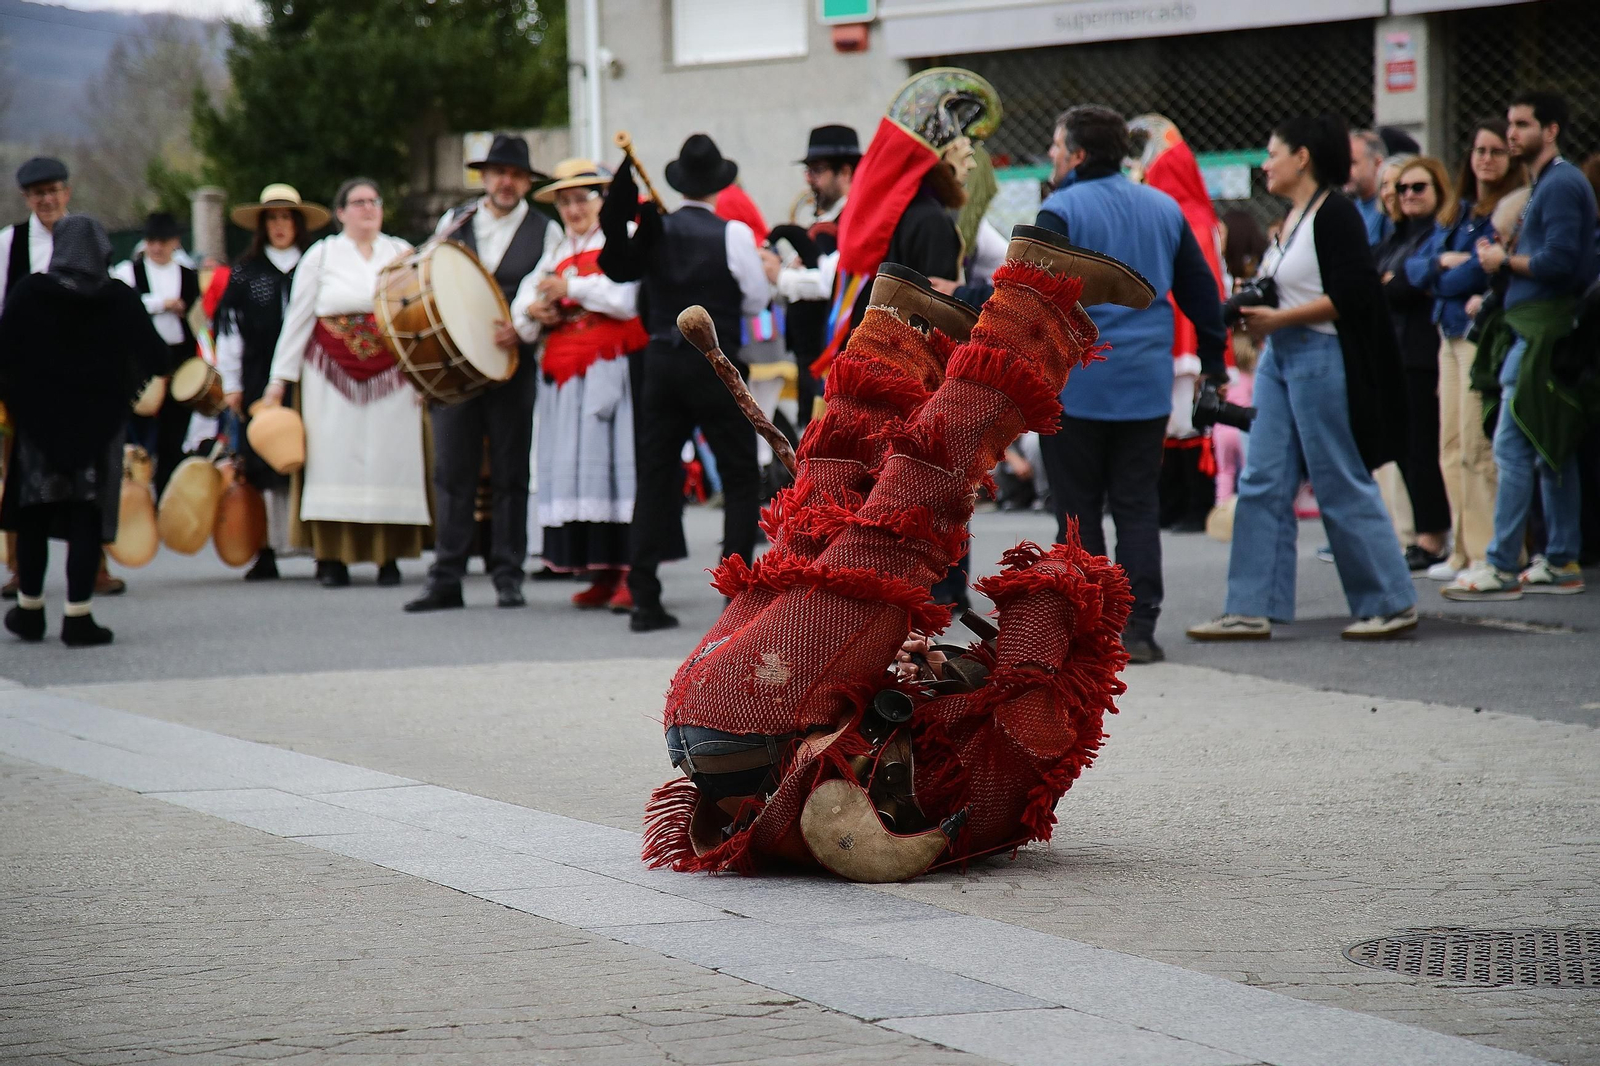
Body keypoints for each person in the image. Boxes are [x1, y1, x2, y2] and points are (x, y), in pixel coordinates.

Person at [641, 227, 1152, 881]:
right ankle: (904, 315)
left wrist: (1053, 604)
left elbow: (1037, 637)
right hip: (713, 719)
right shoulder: (980, 788)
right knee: (820, 522)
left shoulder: (988, 786)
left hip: (761, 713)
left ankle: (1015, 299)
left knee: (899, 516)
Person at [1188, 113, 1417, 642]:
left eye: (1272, 153)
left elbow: (1355, 296)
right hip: (1281, 356)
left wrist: (1277, 319)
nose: (1265, 164)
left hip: (1318, 352)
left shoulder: (1335, 214)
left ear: (1303, 157)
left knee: (1337, 474)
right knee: (1263, 478)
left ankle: (1389, 600)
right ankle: (1249, 607)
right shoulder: (1294, 217)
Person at [1033, 105, 1227, 663]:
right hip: (1144, 383)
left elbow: (1035, 299)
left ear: (1076, 154)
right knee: (1138, 506)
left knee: (1076, 509)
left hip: (1075, 385)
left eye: (1054, 146)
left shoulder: (1059, 209)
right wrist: (1213, 360)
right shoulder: (1164, 207)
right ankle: (1138, 628)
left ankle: (1089, 629)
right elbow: (1200, 290)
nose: (1050, 156)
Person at [597, 133, 771, 632]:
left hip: (659, 363)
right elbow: (756, 301)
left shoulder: (654, 231)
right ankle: (735, 599)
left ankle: (645, 597)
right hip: (716, 364)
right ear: (717, 183)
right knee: (739, 477)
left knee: (654, 475)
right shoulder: (734, 234)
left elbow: (635, 301)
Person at [1446, 91, 1600, 600]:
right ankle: (1560, 559)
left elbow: (1559, 262)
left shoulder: (1559, 184)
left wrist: (1502, 263)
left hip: (1541, 334)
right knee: (1548, 447)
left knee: (1515, 445)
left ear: (1550, 130)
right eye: (1510, 124)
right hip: (1537, 331)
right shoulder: (1550, 183)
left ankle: (1502, 567)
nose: (1511, 134)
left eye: (1522, 124)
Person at [0, 216, 170, 646]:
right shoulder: (119, 299)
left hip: (39, 427)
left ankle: (30, 609)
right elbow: (156, 357)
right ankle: (78, 616)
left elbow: (5, 353)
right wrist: (116, 388)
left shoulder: (30, 293)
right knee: (86, 517)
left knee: (35, 515)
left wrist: (24, 396)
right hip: (99, 429)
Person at [405, 135, 552, 613]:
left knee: (511, 472)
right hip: (453, 368)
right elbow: (426, 276)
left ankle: (507, 574)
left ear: (526, 182)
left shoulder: (545, 231)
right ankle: (446, 574)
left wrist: (524, 327)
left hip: (513, 365)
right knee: (452, 471)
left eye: (514, 174)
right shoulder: (456, 221)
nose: (505, 182)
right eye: (498, 172)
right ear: (485, 177)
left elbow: (547, 290)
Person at [260, 178, 428, 588]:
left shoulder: (402, 252)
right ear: (341, 213)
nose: (368, 208)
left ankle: (388, 556)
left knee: (391, 460)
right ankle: (332, 557)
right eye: (358, 202)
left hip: (394, 375)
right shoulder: (321, 255)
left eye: (374, 201)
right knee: (333, 459)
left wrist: (425, 375)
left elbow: (419, 317)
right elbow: (298, 319)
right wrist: (278, 382)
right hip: (329, 376)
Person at [510, 158, 646, 612]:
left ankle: (631, 570)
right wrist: (534, 311)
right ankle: (602, 570)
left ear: (600, 200)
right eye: (564, 202)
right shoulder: (557, 251)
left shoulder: (619, 238)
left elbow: (625, 299)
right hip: (565, 372)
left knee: (614, 464)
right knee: (577, 468)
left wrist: (569, 288)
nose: (572, 209)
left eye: (580, 199)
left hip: (608, 365)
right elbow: (526, 297)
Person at [813, 68, 1000, 372]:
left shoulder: (899, 216)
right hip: (908, 377)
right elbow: (936, 324)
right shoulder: (931, 221)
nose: (971, 164)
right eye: (963, 154)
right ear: (938, 160)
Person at [1404, 120, 1527, 582]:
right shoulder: (1460, 212)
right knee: (1449, 447)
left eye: (1497, 151)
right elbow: (1416, 269)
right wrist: (1441, 265)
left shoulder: (1512, 208)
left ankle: (1488, 553)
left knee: (1477, 446)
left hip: (1479, 336)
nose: (1486, 159)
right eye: (1479, 150)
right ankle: (1459, 549)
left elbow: (1474, 275)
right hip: (1447, 335)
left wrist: (1443, 275)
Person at [214, 184, 327, 581]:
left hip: (310, 375)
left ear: (298, 224)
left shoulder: (316, 265)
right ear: (263, 226)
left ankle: (315, 544)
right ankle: (265, 547)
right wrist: (231, 383)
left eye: (286, 218)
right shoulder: (246, 272)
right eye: (273, 219)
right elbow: (230, 330)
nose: (280, 226)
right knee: (259, 458)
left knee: (307, 454)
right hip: (259, 373)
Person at [1128, 113, 1233, 537]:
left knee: (1188, 415)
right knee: (1170, 418)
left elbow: (1199, 287)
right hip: (1166, 328)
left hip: (1180, 332)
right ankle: (1171, 504)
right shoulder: (1174, 215)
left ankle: (1194, 504)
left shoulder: (1191, 221)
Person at [1375, 156, 1455, 570]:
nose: (1407, 195)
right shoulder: (1394, 238)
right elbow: (1377, 285)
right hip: (1394, 353)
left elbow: (1407, 285)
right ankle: (1418, 534)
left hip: (1424, 353)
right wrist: (1396, 283)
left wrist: (1399, 282)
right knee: (1403, 450)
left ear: (1438, 190)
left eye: (1418, 187)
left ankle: (1433, 536)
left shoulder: (1438, 234)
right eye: (1402, 188)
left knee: (1423, 447)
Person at [1, 157, 72, 601]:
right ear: (27, 198)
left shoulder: (85, 236)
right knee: (20, 473)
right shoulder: (10, 243)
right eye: (38, 193)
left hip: (76, 377)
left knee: (87, 474)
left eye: (54, 191)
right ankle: (16, 567)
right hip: (25, 377)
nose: (47, 200)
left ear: (67, 193)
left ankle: (95, 564)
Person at [762, 125, 859, 426]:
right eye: (808, 171)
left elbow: (833, 281)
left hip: (836, 354)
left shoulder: (854, 218)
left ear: (844, 173)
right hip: (812, 354)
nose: (808, 179)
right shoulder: (825, 221)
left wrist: (782, 277)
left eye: (816, 170)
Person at [112, 212, 199, 498]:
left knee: (173, 435)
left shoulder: (188, 275)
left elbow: (200, 319)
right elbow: (123, 303)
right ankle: (133, 494)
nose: (156, 247)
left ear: (174, 242)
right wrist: (162, 304)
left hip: (178, 358)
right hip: (141, 361)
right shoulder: (129, 271)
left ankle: (166, 497)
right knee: (137, 430)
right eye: (151, 241)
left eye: (162, 241)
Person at [1349, 129, 1391, 245]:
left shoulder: (1389, 209)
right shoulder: (1352, 209)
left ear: (1378, 163)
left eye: (1353, 163)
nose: (1344, 170)